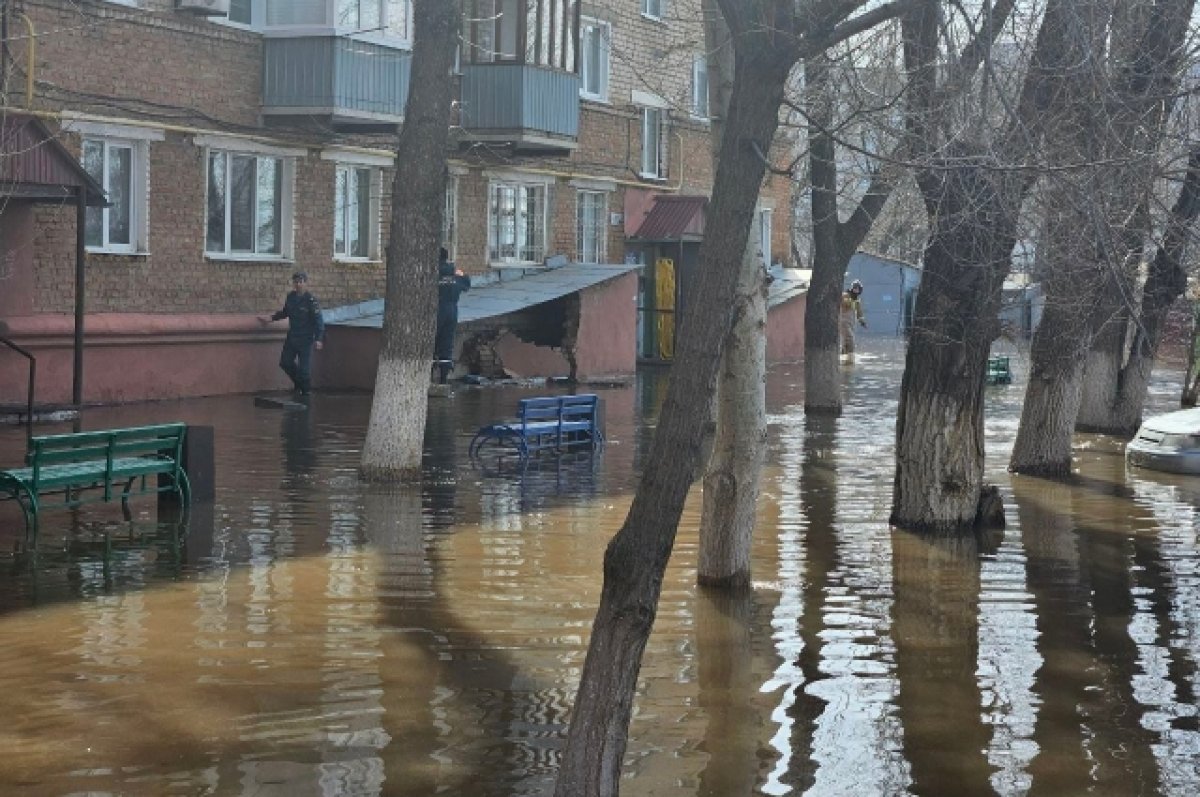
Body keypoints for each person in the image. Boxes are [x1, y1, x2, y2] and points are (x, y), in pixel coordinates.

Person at [259, 271, 324, 395]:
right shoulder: (291, 297)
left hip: (306, 340)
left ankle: (306, 395)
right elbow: (285, 312)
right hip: (292, 338)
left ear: (305, 283)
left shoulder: (311, 301)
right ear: (293, 283)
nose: (298, 284)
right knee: (285, 363)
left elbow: (318, 321)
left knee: (304, 371)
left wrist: (319, 339)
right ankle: (299, 385)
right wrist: (271, 318)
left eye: (301, 282)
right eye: (296, 282)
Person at [434, 247, 470, 384]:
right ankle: (443, 380)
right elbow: (467, 284)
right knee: (447, 344)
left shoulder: (432, 273)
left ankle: (428, 378)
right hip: (452, 310)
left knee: (431, 341)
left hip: (437, 310)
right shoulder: (455, 273)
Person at [839, 279, 866, 359]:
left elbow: (859, 313)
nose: (856, 290)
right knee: (849, 340)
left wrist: (862, 322)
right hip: (843, 322)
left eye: (858, 288)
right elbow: (846, 303)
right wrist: (853, 300)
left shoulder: (857, 299)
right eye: (855, 288)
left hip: (851, 323)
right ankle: (850, 358)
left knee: (846, 341)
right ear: (852, 288)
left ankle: (843, 357)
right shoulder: (845, 295)